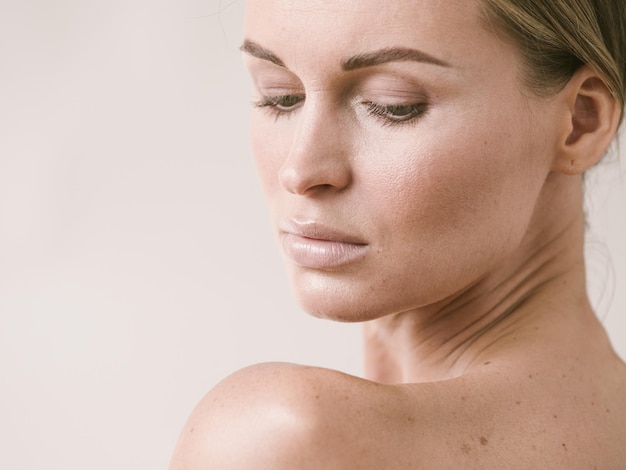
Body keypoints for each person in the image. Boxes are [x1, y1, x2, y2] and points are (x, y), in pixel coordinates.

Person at [169, 0, 626, 467]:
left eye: (393, 106)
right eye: (280, 96)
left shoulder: (289, 438)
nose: (300, 169)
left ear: (582, 122)